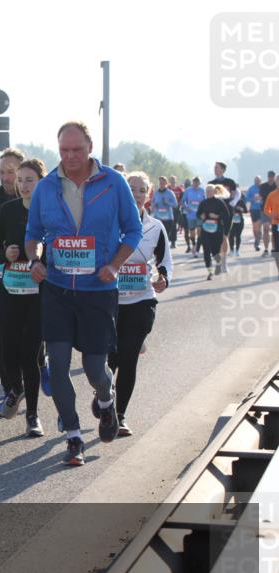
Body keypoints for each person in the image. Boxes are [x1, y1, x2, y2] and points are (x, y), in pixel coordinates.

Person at [25, 121, 142, 466]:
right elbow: (33, 234)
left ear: (90, 147)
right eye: (64, 150)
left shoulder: (113, 182)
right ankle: (73, 436)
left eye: (77, 149)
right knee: (57, 364)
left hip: (98, 290)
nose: (70, 156)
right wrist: (35, 260)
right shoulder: (47, 186)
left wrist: (115, 265)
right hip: (58, 289)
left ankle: (106, 400)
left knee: (94, 369)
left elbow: (133, 230)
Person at [110, 172, 172, 436]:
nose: (136, 194)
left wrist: (163, 278)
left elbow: (164, 261)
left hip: (142, 301)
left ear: (148, 195)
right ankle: (104, 396)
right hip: (109, 302)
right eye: (131, 188)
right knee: (109, 359)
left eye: (141, 190)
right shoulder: (108, 223)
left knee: (128, 358)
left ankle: (119, 415)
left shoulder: (155, 227)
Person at [0, 158, 47, 437]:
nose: (23, 185)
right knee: (7, 349)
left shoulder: (50, 212)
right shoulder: (7, 210)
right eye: (20, 180)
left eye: (29, 180)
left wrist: (42, 260)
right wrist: (6, 254)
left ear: (41, 182)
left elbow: (58, 247)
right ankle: (16, 388)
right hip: (10, 291)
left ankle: (33, 416)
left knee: (30, 356)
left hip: (38, 295)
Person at [0, 147, 25, 418]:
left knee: (28, 336)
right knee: (0, 335)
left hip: (29, 279)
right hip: (0, 274)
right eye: (1, 172)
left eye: (10, 172)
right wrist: (0, 255)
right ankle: (10, 390)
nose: (5, 177)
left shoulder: (36, 199)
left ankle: (34, 374)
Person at [197, 184, 230, 280]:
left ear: (214, 192)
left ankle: (219, 263)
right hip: (206, 229)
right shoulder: (203, 203)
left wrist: (217, 216)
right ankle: (210, 272)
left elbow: (227, 215)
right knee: (206, 251)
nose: (208, 193)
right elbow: (198, 214)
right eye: (207, 191)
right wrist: (201, 216)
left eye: (210, 191)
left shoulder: (219, 202)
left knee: (215, 251)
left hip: (217, 230)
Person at [150, 176, 178, 249]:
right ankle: (160, 249)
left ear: (166, 183)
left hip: (168, 218)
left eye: (163, 182)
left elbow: (175, 204)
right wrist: (153, 205)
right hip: (158, 217)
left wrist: (167, 202)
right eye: (160, 182)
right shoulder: (156, 193)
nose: (161, 184)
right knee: (159, 234)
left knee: (165, 235)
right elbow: (152, 203)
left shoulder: (170, 193)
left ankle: (164, 249)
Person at [181, 177, 206, 257]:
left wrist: (204, 212)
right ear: (192, 183)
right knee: (192, 233)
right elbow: (182, 201)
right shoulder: (188, 191)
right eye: (194, 182)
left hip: (199, 215)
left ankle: (197, 249)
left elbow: (206, 202)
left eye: (197, 182)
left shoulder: (202, 191)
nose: (196, 184)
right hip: (190, 215)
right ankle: (194, 245)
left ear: (199, 183)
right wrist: (186, 208)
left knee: (199, 231)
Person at [260, 170, 277, 256]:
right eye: (269, 176)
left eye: (272, 177)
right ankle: (266, 249)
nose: (270, 178)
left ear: (274, 177)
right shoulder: (263, 186)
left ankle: (274, 248)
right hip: (266, 210)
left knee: (275, 231)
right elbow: (261, 197)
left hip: (276, 211)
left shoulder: (276, 185)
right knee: (266, 228)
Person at [248, 175, 264, 251]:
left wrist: (262, 199)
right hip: (253, 209)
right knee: (255, 228)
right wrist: (253, 199)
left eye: (258, 180)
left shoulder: (263, 188)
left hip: (261, 209)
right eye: (256, 180)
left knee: (259, 226)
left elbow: (267, 196)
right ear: (254, 181)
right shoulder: (251, 188)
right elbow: (247, 198)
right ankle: (256, 239)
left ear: (261, 181)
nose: (257, 181)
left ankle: (257, 243)